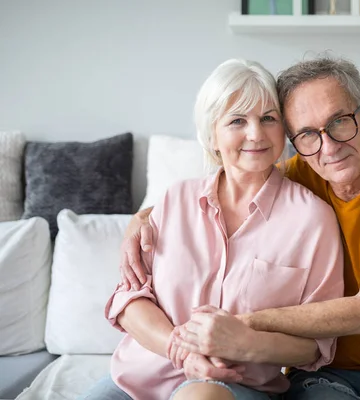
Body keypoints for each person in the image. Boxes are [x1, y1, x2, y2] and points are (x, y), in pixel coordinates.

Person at [121, 55, 360, 400]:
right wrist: (139, 221)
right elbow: (223, 189)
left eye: (340, 121)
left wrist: (242, 326)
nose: (329, 147)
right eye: (308, 134)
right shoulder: (303, 171)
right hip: (327, 377)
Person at [80, 58, 345, 400]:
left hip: (236, 388)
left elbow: (315, 346)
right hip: (136, 380)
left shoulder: (313, 219)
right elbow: (129, 299)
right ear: (212, 134)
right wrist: (183, 351)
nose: (255, 134)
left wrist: (247, 344)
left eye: (269, 118)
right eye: (237, 120)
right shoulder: (175, 200)